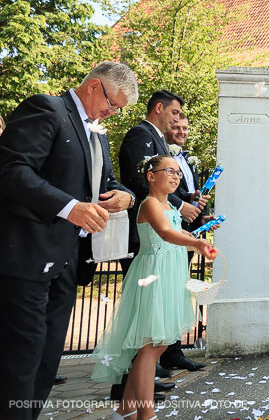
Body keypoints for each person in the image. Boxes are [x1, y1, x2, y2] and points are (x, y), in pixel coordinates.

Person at [0, 61, 138, 419]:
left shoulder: (96, 132)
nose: (112, 112)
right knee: (21, 359)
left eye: (118, 109)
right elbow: (12, 171)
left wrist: (125, 196)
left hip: (69, 261)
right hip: (29, 257)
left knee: (47, 360)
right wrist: (69, 207)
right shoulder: (46, 109)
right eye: (112, 103)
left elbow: (105, 182)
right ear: (93, 86)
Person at [91, 155, 217, 420]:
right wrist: (194, 244)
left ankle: (125, 410)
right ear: (151, 176)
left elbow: (179, 232)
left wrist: (199, 239)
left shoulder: (169, 206)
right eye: (169, 171)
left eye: (178, 173)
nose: (175, 176)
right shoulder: (149, 204)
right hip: (154, 274)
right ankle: (146, 414)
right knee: (150, 346)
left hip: (170, 273)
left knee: (157, 346)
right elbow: (164, 233)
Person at [118, 91, 207, 378]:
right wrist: (181, 206)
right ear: (160, 108)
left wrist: (190, 204)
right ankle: (139, 376)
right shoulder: (139, 136)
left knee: (162, 311)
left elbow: (166, 189)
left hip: (168, 244)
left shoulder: (158, 140)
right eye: (175, 113)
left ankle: (159, 363)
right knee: (147, 315)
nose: (177, 119)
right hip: (149, 243)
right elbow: (142, 183)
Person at [159, 113, 211, 374]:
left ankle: (174, 352)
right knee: (166, 294)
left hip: (189, 229)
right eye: (176, 127)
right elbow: (171, 197)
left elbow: (190, 196)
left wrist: (203, 215)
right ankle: (159, 353)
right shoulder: (163, 159)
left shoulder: (187, 160)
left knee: (180, 291)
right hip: (169, 230)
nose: (181, 132)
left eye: (185, 128)